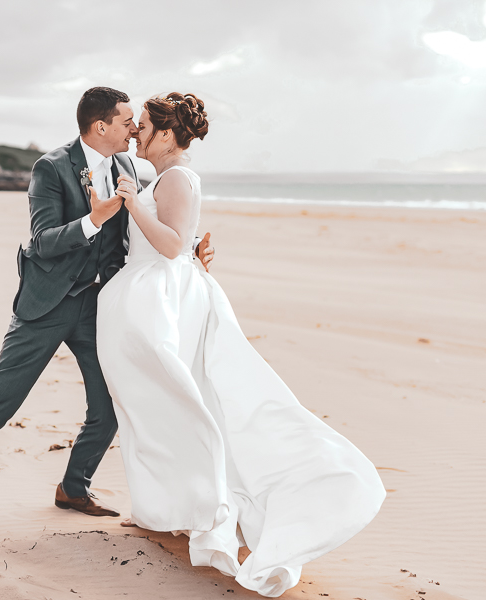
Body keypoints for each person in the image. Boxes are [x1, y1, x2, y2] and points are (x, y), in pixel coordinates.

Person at [97, 92, 386, 598]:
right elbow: (179, 242)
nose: (137, 133)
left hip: (168, 300)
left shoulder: (178, 177)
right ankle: (168, 506)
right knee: (160, 407)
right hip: (158, 293)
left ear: (166, 135)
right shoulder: (164, 177)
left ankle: (201, 505)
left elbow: (169, 245)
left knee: (184, 404)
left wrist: (130, 202)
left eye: (143, 126)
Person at [0, 87, 215, 534]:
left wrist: (192, 251)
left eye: (138, 122)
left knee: (110, 406)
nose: (134, 128)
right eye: (127, 120)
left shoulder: (131, 166)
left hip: (101, 308)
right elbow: (41, 240)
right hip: (46, 303)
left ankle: (74, 487)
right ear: (101, 126)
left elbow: (160, 218)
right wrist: (92, 220)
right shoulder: (51, 167)